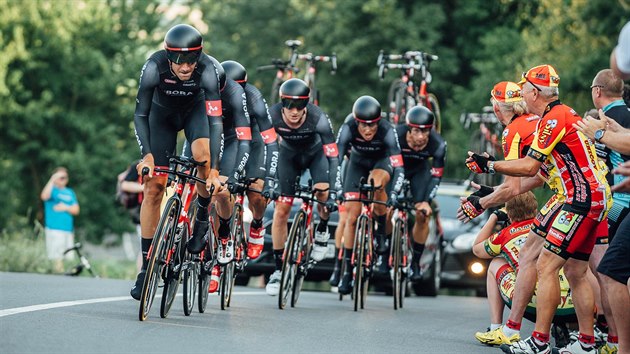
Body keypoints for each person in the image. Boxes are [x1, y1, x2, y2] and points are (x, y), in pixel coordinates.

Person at [467, 64, 611, 354]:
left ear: (534, 92)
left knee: (547, 264)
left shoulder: (550, 120)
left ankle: (540, 341)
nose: (522, 93)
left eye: (524, 88)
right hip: (573, 195)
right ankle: (586, 342)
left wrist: (489, 166)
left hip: (579, 198)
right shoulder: (552, 116)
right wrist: (490, 192)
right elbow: (532, 178)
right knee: (568, 266)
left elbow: (529, 168)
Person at [129, 24, 222, 301]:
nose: (185, 67)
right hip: (161, 118)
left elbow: (216, 122)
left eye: (191, 60)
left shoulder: (209, 71)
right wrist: (146, 154)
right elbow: (140, 115)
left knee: (202, 155)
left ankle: (203, 213)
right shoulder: (152, 68)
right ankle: (147, 268)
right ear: (168, 56)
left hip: (195, 114)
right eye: (180, 61)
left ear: (199, 56)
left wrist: (215, 170)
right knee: (154, 188)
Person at [264, 78, 339, 296]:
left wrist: (333, 192)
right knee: (281, 210)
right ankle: (278, 270)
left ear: (307, 104)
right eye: (289, 105)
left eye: (299, 106)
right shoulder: (272, 115)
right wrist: (271, 180)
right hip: (288, 157)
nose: (294, 111)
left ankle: (322, 229)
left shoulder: (319, 119)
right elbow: (267, 149)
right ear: (282, 104)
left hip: (316, 156)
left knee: (323, 191)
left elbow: (333, 157)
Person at [573, 69, 630, 354]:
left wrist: (598, 132)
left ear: (597, 91)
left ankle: (604, 337)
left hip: (615, 202)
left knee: (593, 269)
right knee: (604, 270)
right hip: (619, 201)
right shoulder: (624, 113)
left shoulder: (602, 118)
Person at [334, 95, 405, 295]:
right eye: (363, 125)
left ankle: (381, 234)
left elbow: (399, 167)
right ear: (356, 121)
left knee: (376, 183)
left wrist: (396, 192)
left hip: (381, 162)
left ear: (378, 122)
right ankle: (347, 271)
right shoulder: (348, 126)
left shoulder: (387, 130)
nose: (367, 130)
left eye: (372, 125)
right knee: (351, 216)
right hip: (356, 163)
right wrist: (337, 187)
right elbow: (336, 161)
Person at [221, 59, 279, 261]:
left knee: (256, 192)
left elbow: (271, 142)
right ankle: (220, 238)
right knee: (219, 190)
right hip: (229, 138)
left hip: (254, 139)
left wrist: (269, 179)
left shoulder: (254, 99)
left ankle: (257, 224)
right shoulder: (210, 92)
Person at [392, 105, 446, 282]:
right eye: (416, 131)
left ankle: (415, 262)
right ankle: (384, 249)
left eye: (425, 132)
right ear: (408, 129)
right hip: (394, 170)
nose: (421, 137)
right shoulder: (395, 136)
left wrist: (426, 201)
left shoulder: (437, 144)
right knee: (383, 207)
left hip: (419, 172)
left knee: (423, 214)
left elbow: (437, 177)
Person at [40, 167, 80, 273]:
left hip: (68, 229)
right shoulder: (52, 190)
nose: (62, 179)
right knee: (57, 256)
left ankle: (67, 276)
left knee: (69, 257)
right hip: (55, 228)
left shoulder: (70, 192)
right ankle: (58, 275)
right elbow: (44, 196)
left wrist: (65, 207)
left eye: (64, 177)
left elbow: (76, 210)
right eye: (60, 177)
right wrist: (52, 180)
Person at [118, 160, 144, 272]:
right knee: (145, 246)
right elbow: (125, 184)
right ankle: (141, 274)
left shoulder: (171, 164)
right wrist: (145, 188)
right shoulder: (139, 164)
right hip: (141, 212)